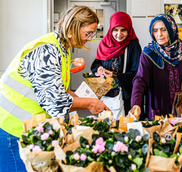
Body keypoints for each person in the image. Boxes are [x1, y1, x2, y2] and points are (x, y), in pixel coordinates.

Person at [0, 5, 109, 171]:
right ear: (72, 28)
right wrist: (89, 103)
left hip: (28, 127)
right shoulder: (47, 51)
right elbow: (55, 102)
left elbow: (57, 90)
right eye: (88, 33)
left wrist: (80, 97)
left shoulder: (63, 50)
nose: (90, 38)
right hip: (11, 128)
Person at [129, 14, 182, 119]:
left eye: (163, 30)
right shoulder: (149, 53)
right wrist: (136, 104)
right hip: (160, 109)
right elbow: (140, 80)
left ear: (171, 29)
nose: (159, 34)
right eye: (155, 30)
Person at [91, 12, 141, 119]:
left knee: (122, 126)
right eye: (115, 30)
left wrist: (115, 76)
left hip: (123, 95)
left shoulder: (133, 45)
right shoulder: (104, 43)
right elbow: (95, 65)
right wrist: (99, 69)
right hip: (104, 93)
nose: (119, 34)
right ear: (111, 29)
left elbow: (137, 72)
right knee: (105, 124)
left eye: (123, 30)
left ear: (129, 29)